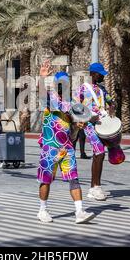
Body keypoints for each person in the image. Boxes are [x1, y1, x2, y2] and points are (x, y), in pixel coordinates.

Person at [36, 60, 95, 224]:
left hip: (67, 147)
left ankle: (79, 212)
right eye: (61, 83)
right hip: (50, 146)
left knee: (73, 178)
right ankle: (42, 210)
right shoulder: (50, 99)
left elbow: (74, 130)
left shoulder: (71, 103)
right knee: (46, 179)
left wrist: (78, 125)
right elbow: (41, 95)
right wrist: (41, 78)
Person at [75, 63, 114, 201]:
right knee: (100, 152)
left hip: (102, 124)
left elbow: (111, 102)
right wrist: (84, 117)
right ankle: (96, 187)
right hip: (89, 125)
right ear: (92, 74)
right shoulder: (83, 89)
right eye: (100, 73)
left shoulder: (102, 89)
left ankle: (94, 187)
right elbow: (76, 107)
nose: (102, 76)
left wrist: (111, 110)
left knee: (100, 154)